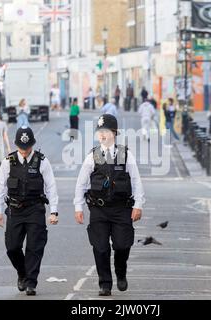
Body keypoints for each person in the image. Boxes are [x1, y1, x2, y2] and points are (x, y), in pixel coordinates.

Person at [74, 114, 145, 296]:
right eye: (100, 132)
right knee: (100, 247)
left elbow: (136, 181)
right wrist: (78, 207)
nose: (102, 135)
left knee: (122, 245)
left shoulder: (125, 154)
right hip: (99, 209)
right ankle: (105, 283)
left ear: (114, 133)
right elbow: (81, 183)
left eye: (105, 131)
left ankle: (121, 272)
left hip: (121, 208)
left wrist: (138, 204)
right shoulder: (93, 156)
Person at [0, 126, 59, 296]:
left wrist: (54, 211)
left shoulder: (42, 161)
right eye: (21, 148)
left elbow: (51, 187)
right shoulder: (9, 161)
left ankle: (31, 282)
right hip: (14, 210)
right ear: (16, 146)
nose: (24, 151)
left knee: (34, 247)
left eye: (27, 148)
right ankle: (22, 272)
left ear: (32, 145)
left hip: (35, 209)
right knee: (12, 247)